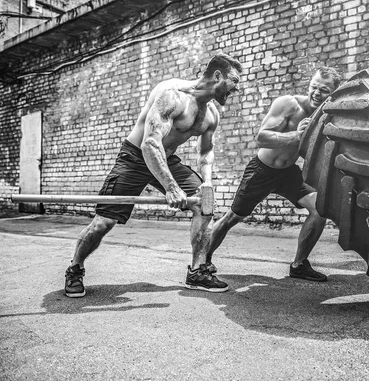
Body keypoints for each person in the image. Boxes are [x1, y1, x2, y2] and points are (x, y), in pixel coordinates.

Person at [64, 53, 243, 297]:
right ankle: (75, 268)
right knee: (104, 222)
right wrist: (170, 187)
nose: (237, 88)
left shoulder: (212, 113)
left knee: (205, 204)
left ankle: (198, 270)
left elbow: (206, 150)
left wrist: (208, 184)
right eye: (234, 81)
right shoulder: (172, 94)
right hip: (136, 157)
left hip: (167, 159)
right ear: (218, 76)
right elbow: (150, 143)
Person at [207, 67, 341, 283]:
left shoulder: (326, 117)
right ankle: (203, 260)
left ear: (333, 94)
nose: (316, 93)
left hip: (289, 173)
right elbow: (262, 138)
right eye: (313, 87)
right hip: (262, 169)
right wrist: (296, 135)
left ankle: (299, 265)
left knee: (320, 209)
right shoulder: (288, 104)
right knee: (234, 217)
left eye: (323, 90)